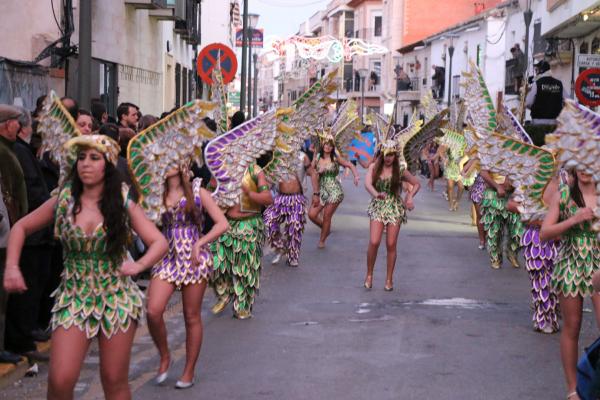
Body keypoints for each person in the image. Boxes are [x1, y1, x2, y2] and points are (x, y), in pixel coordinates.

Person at [3, 134, 168, 399]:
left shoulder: (122, 201)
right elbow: (21, 227)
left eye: (94, 158)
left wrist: (138, 265)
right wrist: (12, 267)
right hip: (74, 298)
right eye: (81, 158)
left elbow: (159, 242)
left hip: (116, 299)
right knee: (60, 381)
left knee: (114, 381)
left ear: (108, 165)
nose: (85, 164)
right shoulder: (65, 199)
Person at [146, 167, 228, 389]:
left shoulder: (198, 191)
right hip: (167, 258)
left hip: (194, 259)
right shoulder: (155, 192)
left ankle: (189, 370)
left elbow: (222, 223)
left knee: (191, 316)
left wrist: (201, 243)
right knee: (153, 311)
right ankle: (165, 356)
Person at [541, 170, 600, 400]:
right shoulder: (564, 194)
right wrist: (574, 219)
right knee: (572, 326)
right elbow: (545, 233)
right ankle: (573, 388)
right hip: (570, 263)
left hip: (597, 264)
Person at [7, 109, 53, 359]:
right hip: (32, 232)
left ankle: (26, 334)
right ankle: (21, 339)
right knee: (28, 289)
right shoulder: (19, 152)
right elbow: (30, 190)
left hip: (36, 232)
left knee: (35, 285)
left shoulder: (21, 150)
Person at [211, 161, 273, 319]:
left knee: (246, 269)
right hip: (227, 224)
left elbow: (268, 198)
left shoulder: (255, 171)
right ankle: (225, 294)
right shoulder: (222, 168)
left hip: (249, 225)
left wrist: (250, 193)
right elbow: (209, 193)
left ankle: (243, 305)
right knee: (216, 261)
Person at [364, 150, 420, 291]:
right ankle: (369, 274)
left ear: (395, 156)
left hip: (394, 207)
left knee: (391, 243)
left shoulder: (400, 169)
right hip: (378, 205)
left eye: (391, 155)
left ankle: (389, 279)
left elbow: (416, 183)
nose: (388, 158)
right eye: (385, 155)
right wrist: (376, 194)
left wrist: (410, 197)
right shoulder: (374, 167)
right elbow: (368, 184)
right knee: (374, 241)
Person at [264, 151, 316, 267]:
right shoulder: (277, 157)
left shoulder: (302, 157)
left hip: (296, 198)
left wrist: (316, 194)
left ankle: (293, 256)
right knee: (269, 220)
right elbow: (270, 179)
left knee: (294, 227)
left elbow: (312, 173)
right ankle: (281, 247)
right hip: (280, 198)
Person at [308, 137, 359, 248]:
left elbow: (350, 165)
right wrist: (317, 167)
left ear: (333, 147)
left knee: (327, 216)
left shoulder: (336, 158)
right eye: (326, 144)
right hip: (322, 190)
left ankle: (322, 240)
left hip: (335, 191)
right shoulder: (317, 157)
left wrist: (356, 176)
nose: (328, 146)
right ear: (322, 145)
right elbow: (310, 171)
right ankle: (326, 229)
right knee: (311, 214)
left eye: (330, 145)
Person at [479, 170, 523, 269]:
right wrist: (497, 186)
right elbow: (483, 172)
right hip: (493, 195)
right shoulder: (489, 154)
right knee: (495, 230)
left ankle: (512, 252)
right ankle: (495, 258)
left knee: (518, 230)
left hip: (513, 196)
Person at [525, 60, 568, 145]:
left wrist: (535, 107)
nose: (536, 73)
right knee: (552, 149)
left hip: (538, 123)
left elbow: (528, 103)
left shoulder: (537, 84)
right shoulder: (558, 84)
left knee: (539, 149)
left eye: (537, 70)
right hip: (554, 123)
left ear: (541, 71)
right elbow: (568, 101)